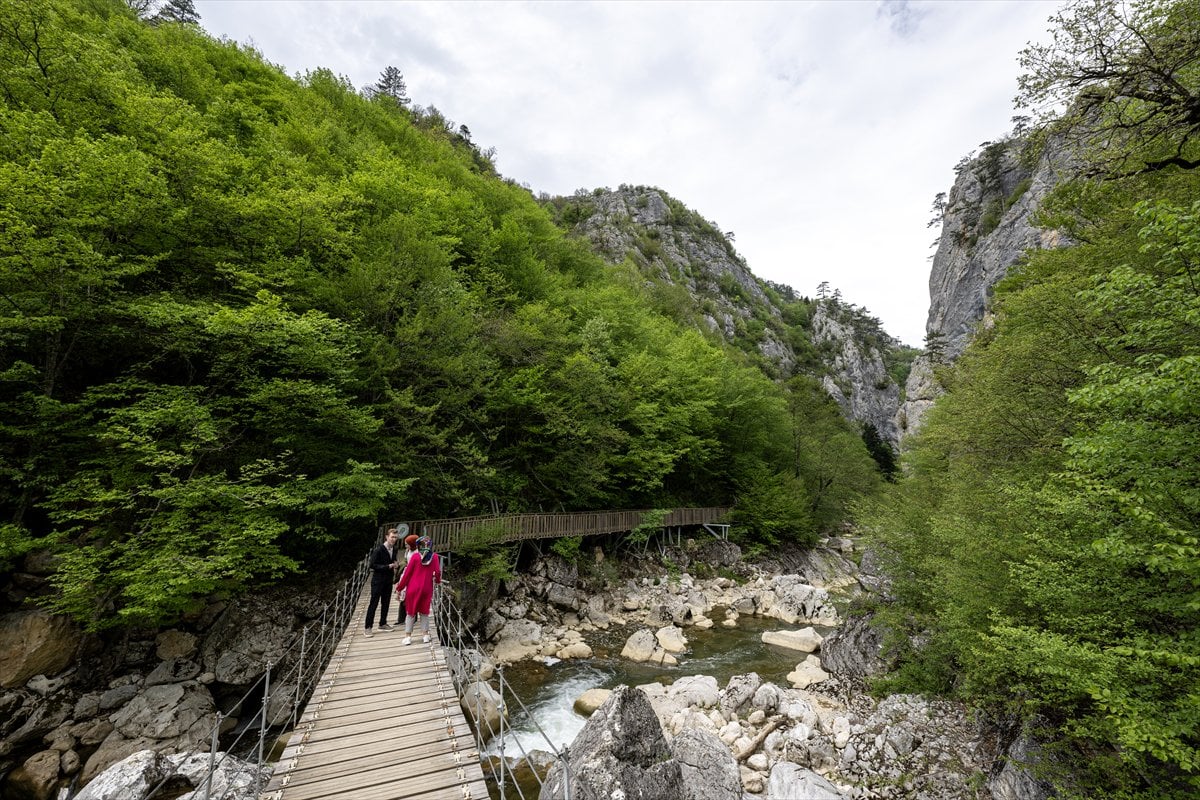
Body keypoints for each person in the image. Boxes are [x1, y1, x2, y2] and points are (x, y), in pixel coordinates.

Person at [394, 534, 441, 645]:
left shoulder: (415, 557)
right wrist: (438, 581)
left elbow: (407, 574)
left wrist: (399, 588)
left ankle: (408, 637)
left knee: (410, 612)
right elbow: (438, 573)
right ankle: (425, 635)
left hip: (413, 588)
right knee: (424, 612)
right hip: (427, 588)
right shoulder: (434, 557)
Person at [364, 527, 400, 637]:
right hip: (378, 580)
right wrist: (387, 566)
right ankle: (368, 627)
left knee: (386, 602)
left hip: (388, 580)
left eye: (395, 537)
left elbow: (392, 560)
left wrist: (396, 564)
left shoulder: (395, 549)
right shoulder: (378, 549)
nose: (393, 539)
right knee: (373, 603)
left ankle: (383, 623)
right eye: (392, 537)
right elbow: (372, 565)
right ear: (387, 537)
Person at [392, 533, 418, 626]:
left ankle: (413, 617)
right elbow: (406, 561)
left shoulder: (417, 553)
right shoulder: (408, 551)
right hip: (406, 574)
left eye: (407, 544)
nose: (405, 545)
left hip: (413, 576)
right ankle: (401, 619)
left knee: (411, 596)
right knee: (403, 596)